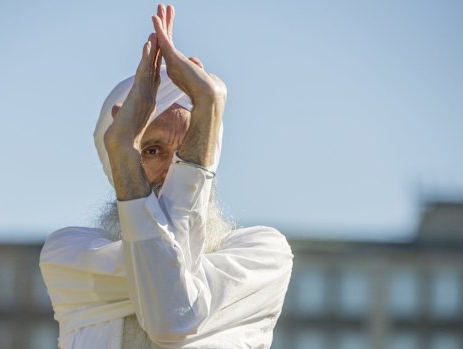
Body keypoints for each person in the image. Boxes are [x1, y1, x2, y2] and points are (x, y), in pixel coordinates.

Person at [40, 4, 293, 348]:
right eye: (152, 150)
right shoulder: (69, 255)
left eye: (189, 150)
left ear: (209, 159)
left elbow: (169, 312)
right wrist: (203, 106)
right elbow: (169, 306)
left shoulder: (263, 256)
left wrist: (209, 102)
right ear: (116, 159)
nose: (174, 170)